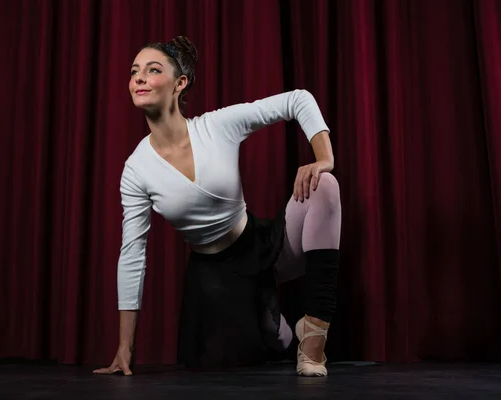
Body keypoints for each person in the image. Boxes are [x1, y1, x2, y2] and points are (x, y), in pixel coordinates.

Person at [93, 36, 342, 377]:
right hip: (214, 275)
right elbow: (132, 255)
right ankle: (281, 327)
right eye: (134, 71)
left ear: (180, 83)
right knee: (257, 353)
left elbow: (298, 100)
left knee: (325, 185)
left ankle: (314, 338)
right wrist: (125, 349)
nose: (138, 78)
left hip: (264, 245)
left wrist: (323, 159)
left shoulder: (216, 126)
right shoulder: (137, 169)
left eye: (152, 70)